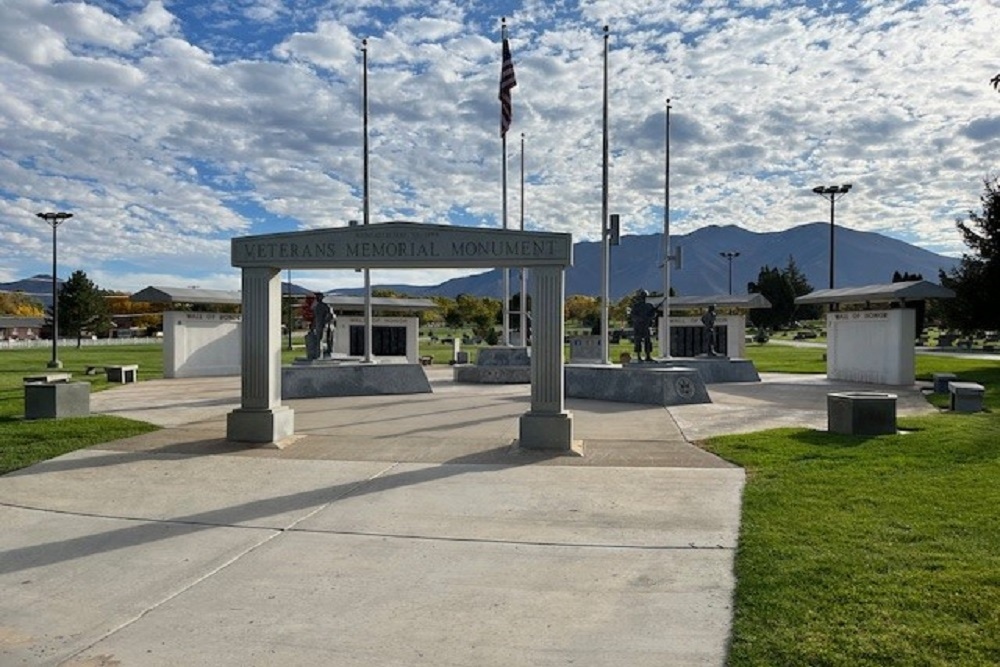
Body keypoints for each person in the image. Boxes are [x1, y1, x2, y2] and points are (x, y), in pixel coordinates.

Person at [628, 289, 660, 362]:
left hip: (647, 326)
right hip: (638, 326)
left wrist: (651, 316)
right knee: (638, 341)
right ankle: (639, 356)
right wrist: (640, 319)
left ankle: (648, 356)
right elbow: (633, 316)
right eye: (642, 296)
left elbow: (653, 315)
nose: (644, 298)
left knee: (648, 341)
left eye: (645, 296)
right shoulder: (636, 306)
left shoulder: (650, 306)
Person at [309, 292, 336, 359]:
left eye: (319, 297)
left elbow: (331, 316)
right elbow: (315, 317)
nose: (317, 298)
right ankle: (318, 353)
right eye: (317, 297)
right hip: (319, 326)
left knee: (327, 340)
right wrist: (313, 326)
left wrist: (326, 322)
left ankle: (327, 353)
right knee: (318, 340)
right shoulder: (316, 306)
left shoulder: (326, 306)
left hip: (326, 326)